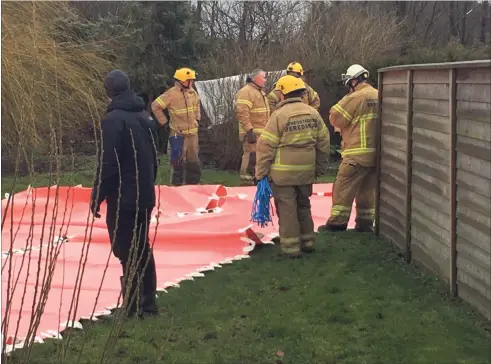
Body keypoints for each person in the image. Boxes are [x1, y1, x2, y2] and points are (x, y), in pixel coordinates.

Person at [90, 69, 159, 319]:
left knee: (125, 249)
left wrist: (98, 193)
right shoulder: (143, 115)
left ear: (108, 92)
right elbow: (154, 157)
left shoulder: (113, 121)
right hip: (144, 193)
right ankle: (147, 304)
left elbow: (108, 163)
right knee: (142, 246)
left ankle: (132, 306)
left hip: (124, 196)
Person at [255, 75, 331, 257]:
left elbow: (265, 146)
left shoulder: (279, 115)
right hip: (306, 173)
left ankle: (291, 248)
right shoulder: (313, 114)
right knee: (304, 206)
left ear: (283, 94)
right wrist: (319, 168)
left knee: (287, 209)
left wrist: (260, 173)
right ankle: (308, 242)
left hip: (283, 175)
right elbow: (324, 143)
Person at [318, 64, 378, 233]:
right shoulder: (379, 94)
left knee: (342, 188)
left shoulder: (355, 97)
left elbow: (336, 118)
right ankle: (365, 224)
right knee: (367, 191)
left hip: (356, 154)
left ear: (353, 81)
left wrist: (346, 99)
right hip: (376, 154)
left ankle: (337, 223)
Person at [151, 67, 201, 186]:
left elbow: (197, 104)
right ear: (182, 81)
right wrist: (164, 122)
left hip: (193, 135)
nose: (192, 82)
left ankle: (193, 188)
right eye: (190, 80)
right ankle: (176, 190)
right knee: (177, 165)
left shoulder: (192, 92)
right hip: (177, 135)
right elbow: (155, 106)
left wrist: (197, 118)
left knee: (194, 164)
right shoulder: (171, 94)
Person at [234, 69, 270, 185]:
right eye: (263, 77)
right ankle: (246, 183)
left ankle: (256, 182)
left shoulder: (259, 92)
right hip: (252, 134)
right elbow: (242, 113)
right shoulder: (246, 92)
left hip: (261, 134)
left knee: (257, 160)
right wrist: (249, 131)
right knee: (250, 158)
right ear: (255, 78)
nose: (265, 80)